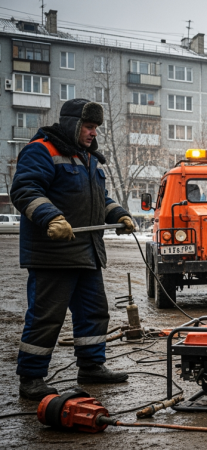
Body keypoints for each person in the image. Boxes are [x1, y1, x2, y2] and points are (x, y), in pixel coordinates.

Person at [11, 99, 136, 400]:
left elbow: (99, 199)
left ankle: (92, 366)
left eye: (95, 128)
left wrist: (119, 213)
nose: (94, 133)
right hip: (53, 255)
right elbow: (25, 190)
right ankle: (31, 377)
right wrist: (51, 217)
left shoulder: (88, 158)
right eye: (89, 127)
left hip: (87, 252)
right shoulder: (42, 150)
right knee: (46, 316)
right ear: (73, 124)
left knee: (94, 312)